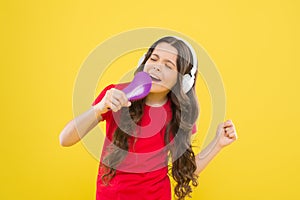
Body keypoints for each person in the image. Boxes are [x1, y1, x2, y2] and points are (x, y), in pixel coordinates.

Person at [59, 36, 238, 200]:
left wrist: (218, 143)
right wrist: (99, 108)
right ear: (144, 62)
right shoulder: (116, 95)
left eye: (169, 65)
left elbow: (184, 170)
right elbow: (65, 139)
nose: (157, 66)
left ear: (182, 81)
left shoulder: (180, 115)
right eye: (153, 59)